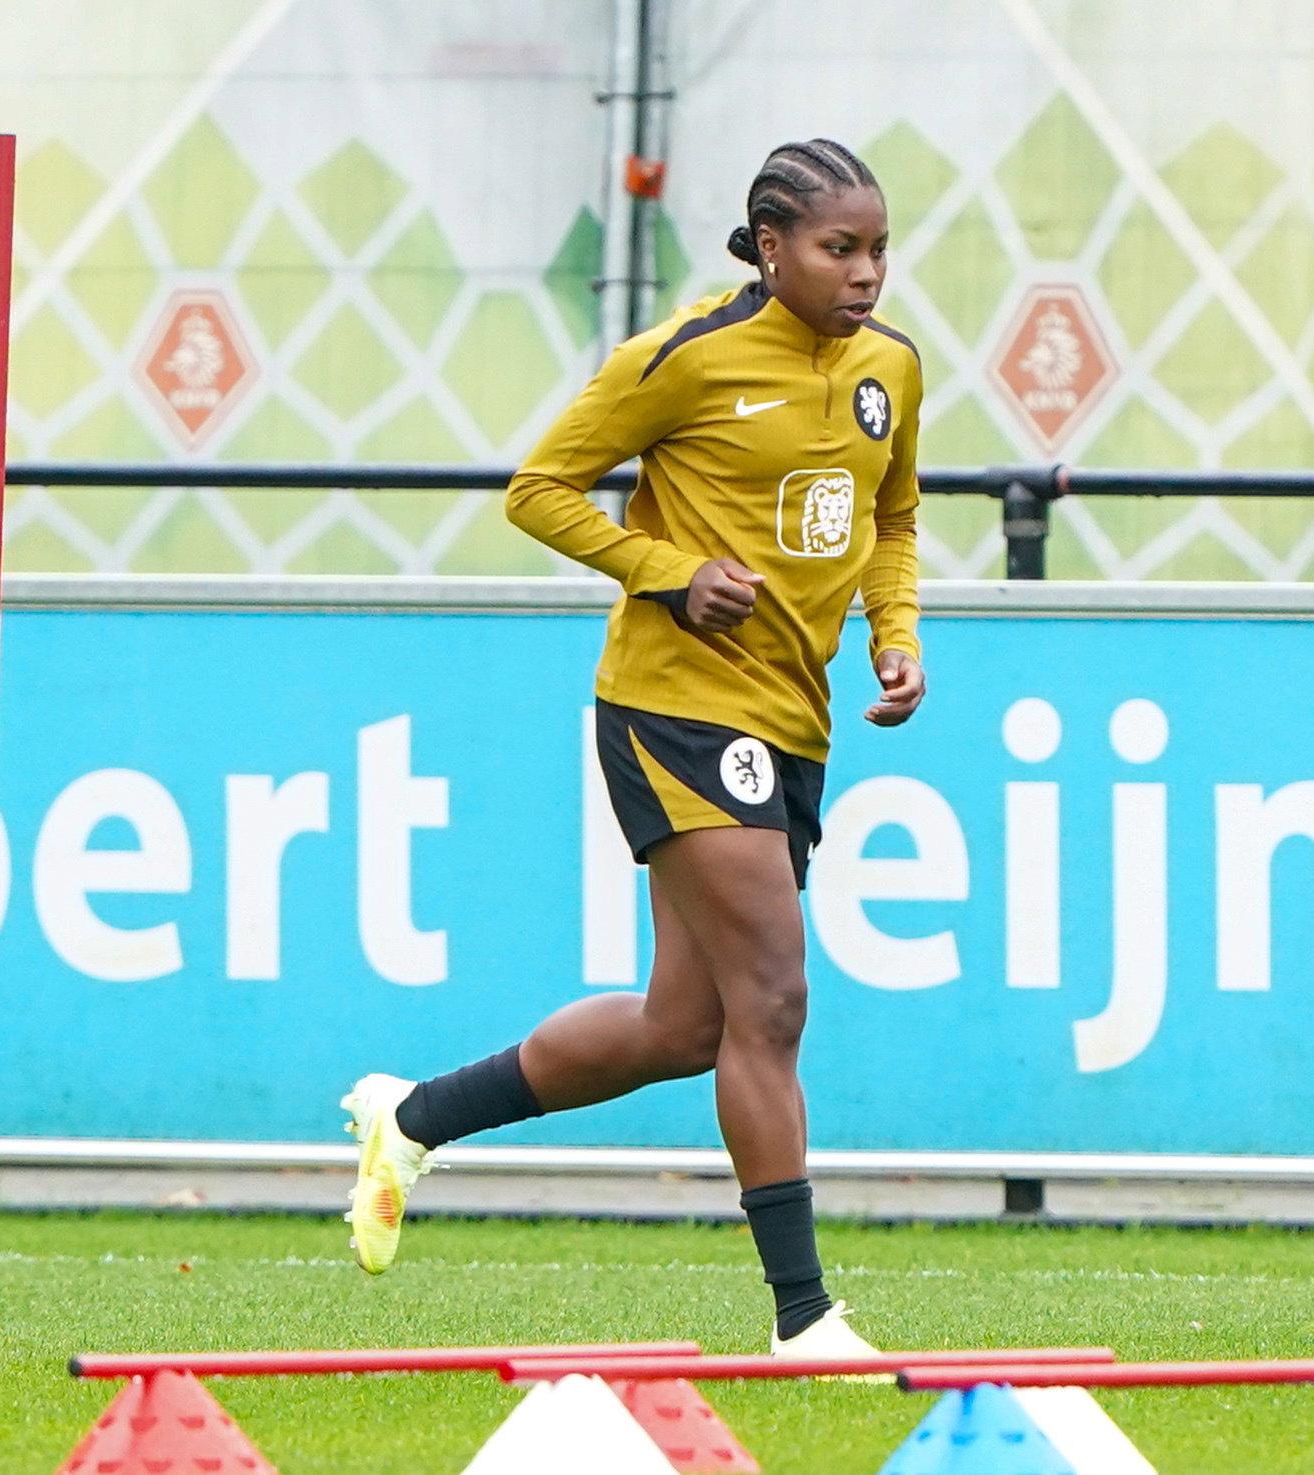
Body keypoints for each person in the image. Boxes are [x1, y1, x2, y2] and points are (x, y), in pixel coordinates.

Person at [337, 138, 925, 1357]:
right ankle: (804, 1317)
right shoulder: (686, 356)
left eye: (877, 248)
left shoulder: (892, 367)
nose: (866, 272)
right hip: (675, 703)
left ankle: (412, 1115)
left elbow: (891, 519)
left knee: (684, 1027)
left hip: (793, 713)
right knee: (773, 995)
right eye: (839, 248)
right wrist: (667, 573)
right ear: (771, 247)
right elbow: (540, 488)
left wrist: (895, 633)